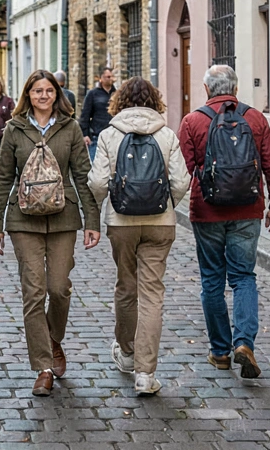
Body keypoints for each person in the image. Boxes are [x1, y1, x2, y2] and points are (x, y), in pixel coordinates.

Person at [0, 70, 100, 397]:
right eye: (37, 90)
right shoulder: (14, 128)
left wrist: (91, 219)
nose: (42, 96)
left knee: (60, 288)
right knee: (34, 291)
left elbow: (84, 176)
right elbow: (2, 178)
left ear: (56, 93)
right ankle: (43, 366)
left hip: (64, 216)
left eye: (48, 90)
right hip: (23, 220)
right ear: (28, 94)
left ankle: (52, 339)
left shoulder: (70, 127)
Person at [177, 64, 270, 380]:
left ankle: (220, 352)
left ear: (206, 88)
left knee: (212, 278)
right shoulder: (254, 118)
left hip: (207, 211)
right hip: (247, 209)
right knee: (243, 276)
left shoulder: (193, 121)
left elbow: (182, 172)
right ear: (235, 89)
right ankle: (244, 343)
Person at [87, 77, 190, 396]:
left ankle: (127, 353)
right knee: (152, 293)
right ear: (155, 101)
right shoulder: (166, 134)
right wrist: (167, 205)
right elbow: (182, 181)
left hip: (121, 222)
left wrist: (109, 203)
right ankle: (145, 373)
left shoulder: (109, 134)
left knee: (125, 286)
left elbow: (98, 181)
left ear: (119, 102)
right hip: (160, 222)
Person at [79, 67, 116, 161]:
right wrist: (85, 134)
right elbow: (85, 115)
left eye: (112, 76)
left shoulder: (117, 94)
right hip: (97, 135)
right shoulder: (93, 94)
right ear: (101, 78)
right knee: (95, 164)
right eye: (108, 76)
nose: (110, 79)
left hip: (114, 135)